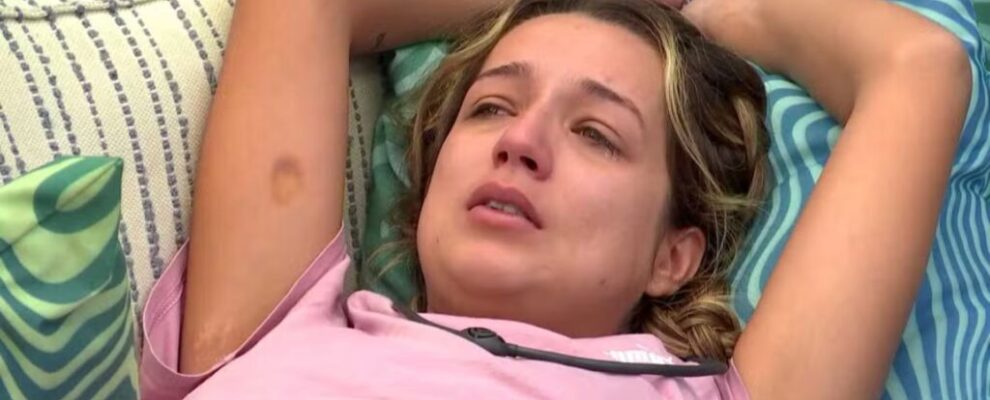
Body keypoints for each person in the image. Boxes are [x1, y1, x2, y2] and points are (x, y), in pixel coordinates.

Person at [138, 0, 971, 398]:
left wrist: (708, 9)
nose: (520, 141)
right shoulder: (271, 328)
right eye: (491, 107)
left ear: (671, 255)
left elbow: (919, 68)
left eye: (597, 134)